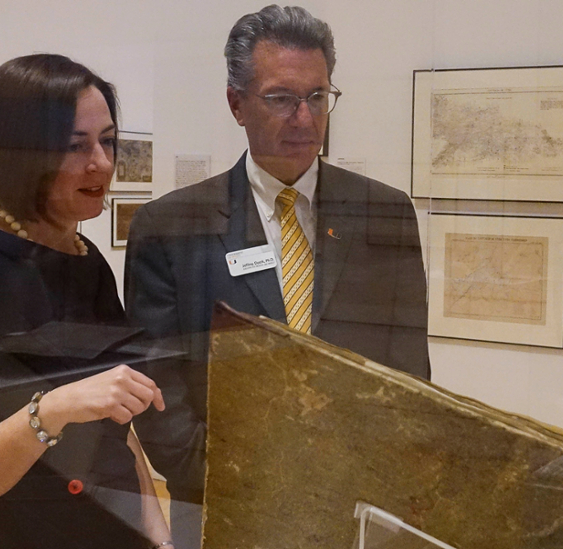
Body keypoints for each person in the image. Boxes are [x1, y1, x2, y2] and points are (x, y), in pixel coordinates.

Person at [123, 6, 430, 547]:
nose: (305, 119)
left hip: (359, 505)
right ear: (236, 103)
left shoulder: (383, 212)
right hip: (229, 506)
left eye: (317, 97)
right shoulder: (173, 226)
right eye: (282, 99)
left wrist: (380, 480)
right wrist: (234, 482)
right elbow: (159, 392)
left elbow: (408, 372)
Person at [0, 54, 171, 549]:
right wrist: (52, 410)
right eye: (76, 146)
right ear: (19, 157)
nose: (103, 163)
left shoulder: (86, 258)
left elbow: (118, 430)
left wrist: (158, 537)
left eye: (107, 141)